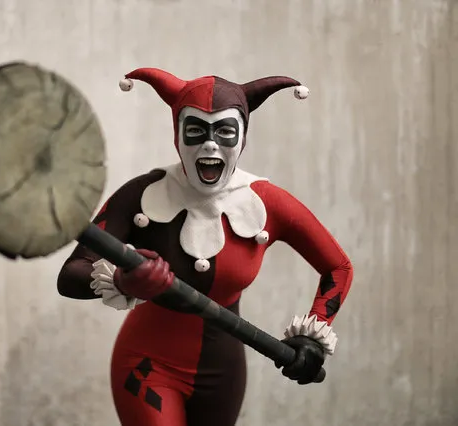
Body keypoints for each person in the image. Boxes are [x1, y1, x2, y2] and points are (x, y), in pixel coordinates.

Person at [56, 68, 353, 426]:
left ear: (243, 137)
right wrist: (122, 281)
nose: (210, 144)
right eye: (196, 131)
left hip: (223, 371)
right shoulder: (141, 195)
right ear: (177, 135)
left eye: (225, 131)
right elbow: (71, 273)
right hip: (147, 363)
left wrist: (313, 337)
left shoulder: (268, 202)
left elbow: (338, 267)